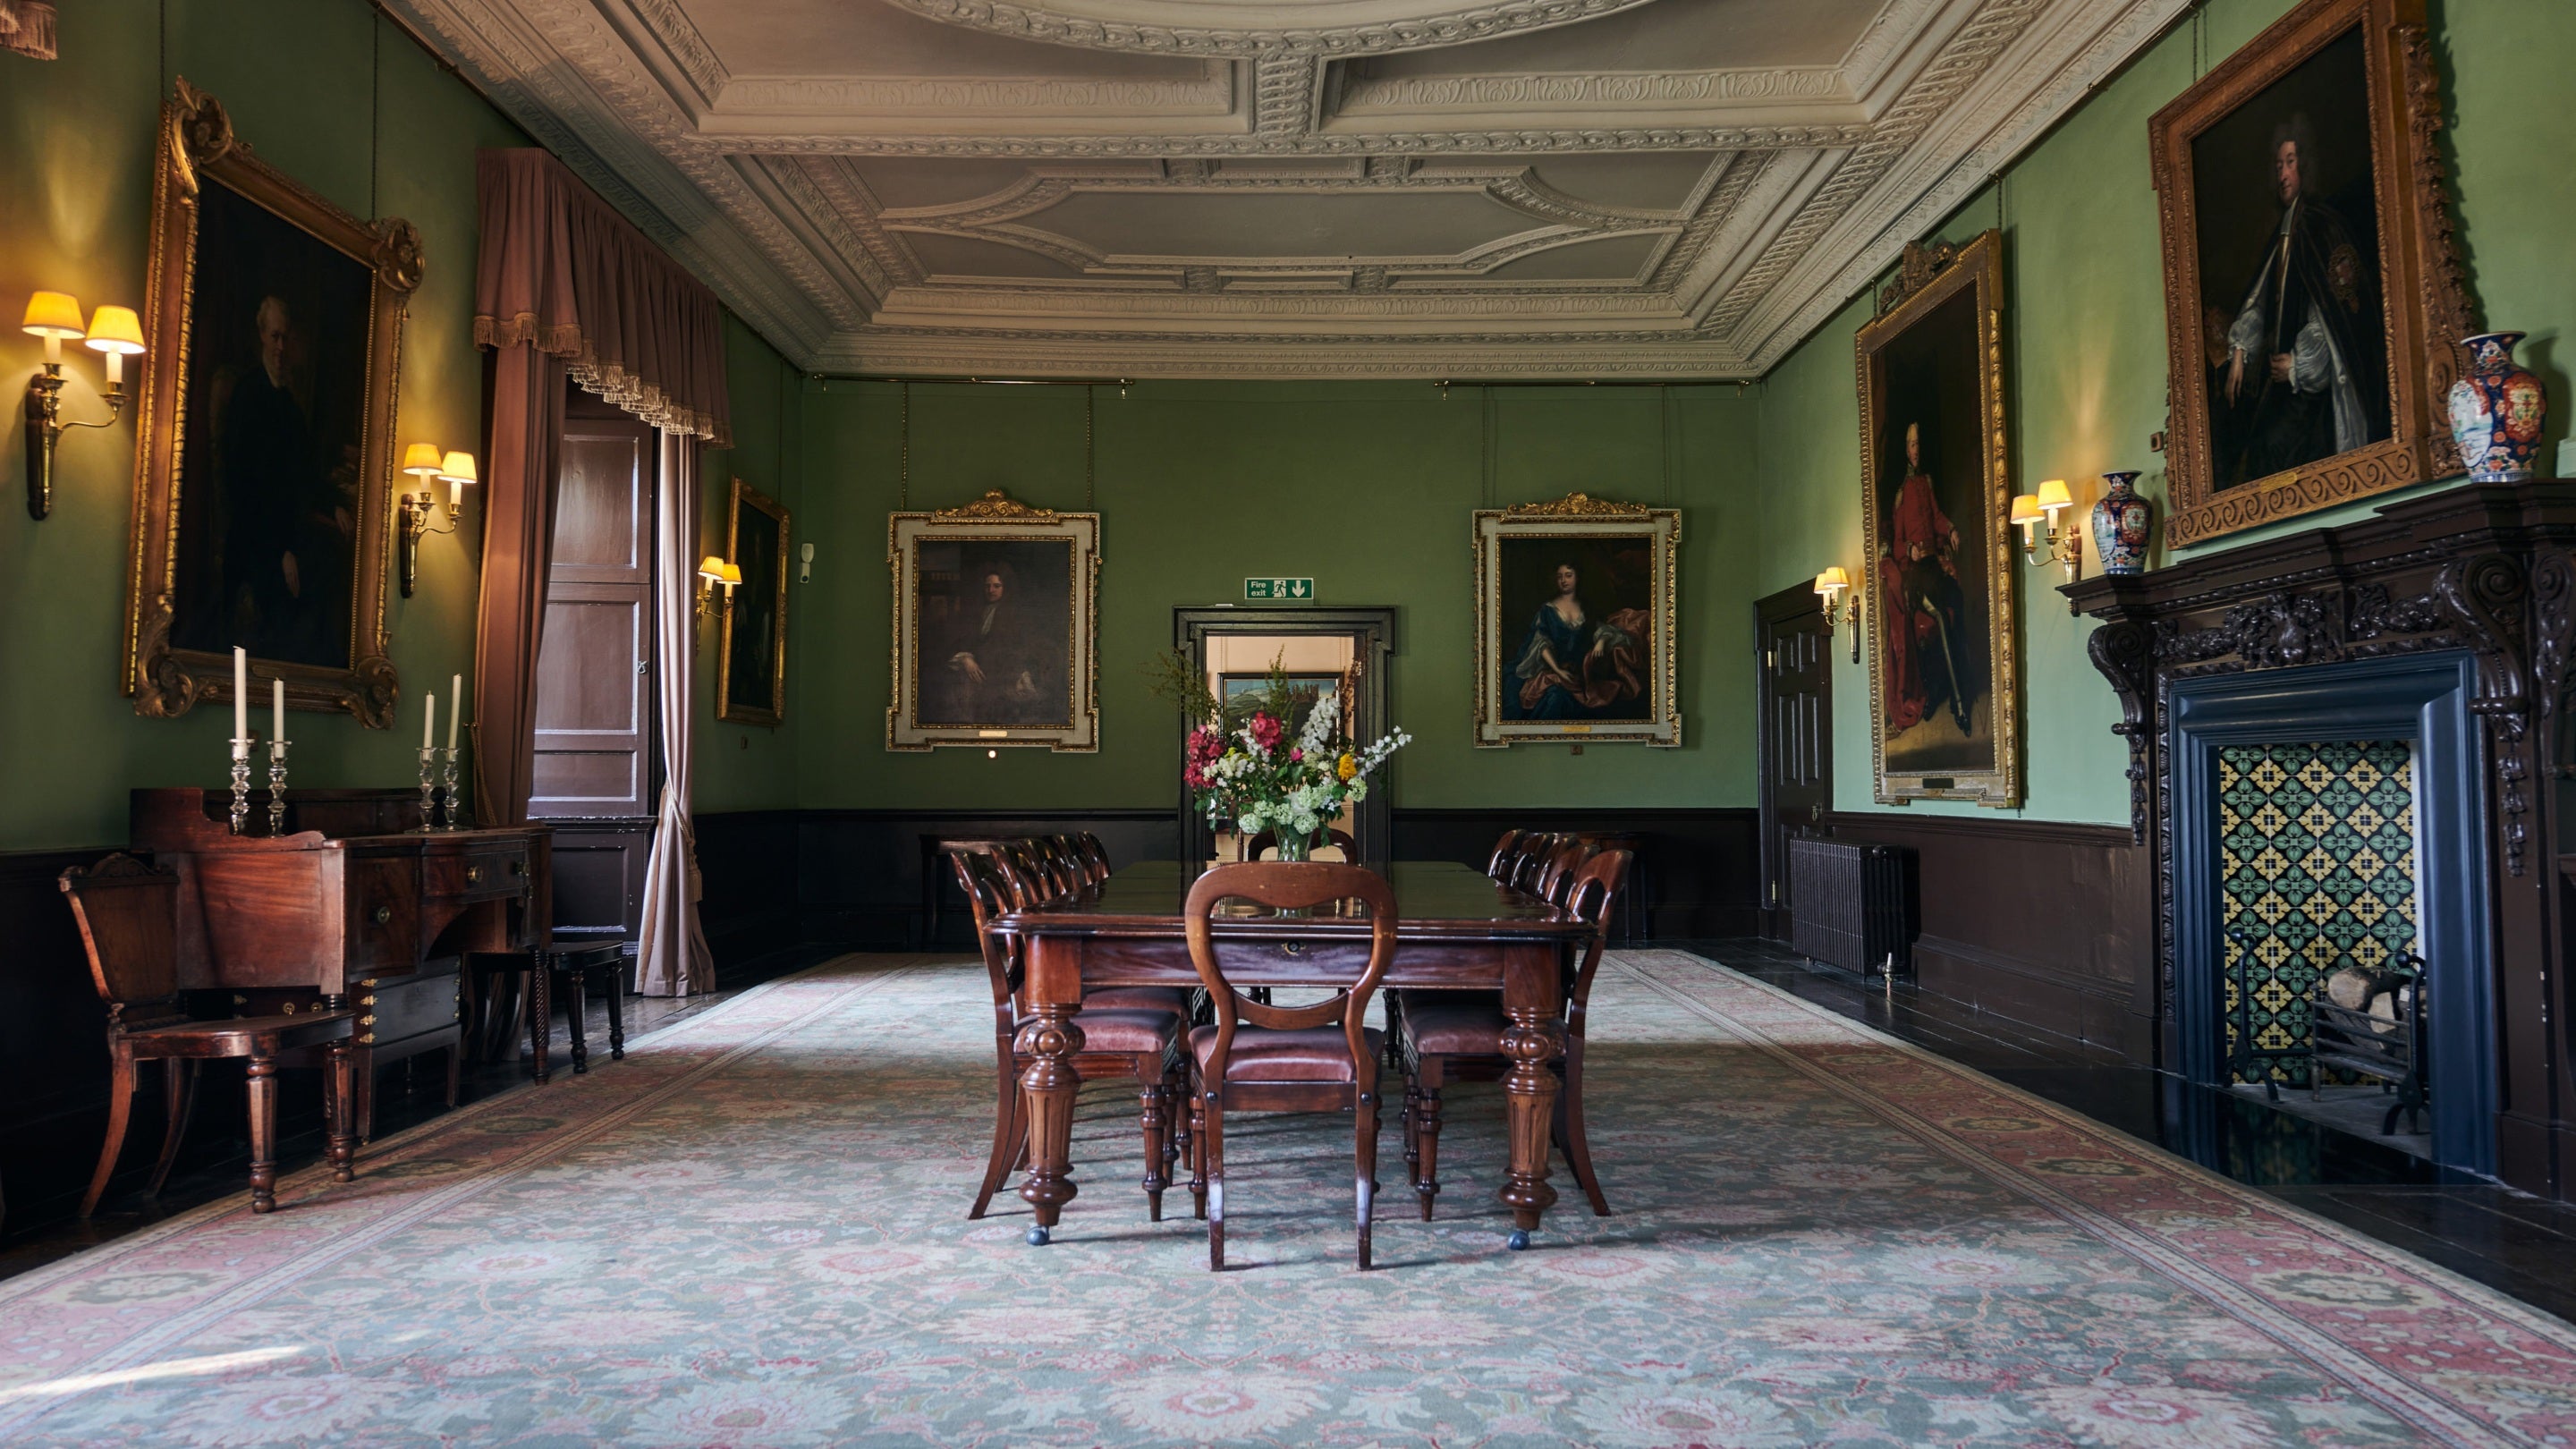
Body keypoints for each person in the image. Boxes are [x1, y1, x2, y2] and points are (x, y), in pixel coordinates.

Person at [2212, 113, 2385, 487]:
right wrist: (2241, 349)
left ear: (2305, 164)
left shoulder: (2322, 226)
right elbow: (2261, 298)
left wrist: (2298, 365)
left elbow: (2332, 315)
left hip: (2312, 391)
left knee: (2268, 452)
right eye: (2279, 165)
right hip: (2281, 385)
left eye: (2290, 162)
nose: (2283, 174)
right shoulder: (2285, 231)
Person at [209, 293, 354, 664]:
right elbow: (244, 487)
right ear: (261, 336)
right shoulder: (247, 394)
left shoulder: (288, 405)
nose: (280, 347)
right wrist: (279, 549)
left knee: (332, 561)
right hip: (254, 535)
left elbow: (304, 471)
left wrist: (332, 503)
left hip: (287, 532)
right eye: (274, 337)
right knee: (292, 587)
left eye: (285, 338)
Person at [1877, 420, 1975, 737]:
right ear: (1906, 450)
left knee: (1957, 604)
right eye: (1912, 445)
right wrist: (1910, 551)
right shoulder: (1901, 495)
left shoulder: (1925, 484)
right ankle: (1959, 703)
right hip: (1915, 577)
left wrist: (1952, 529)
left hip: (1934, 568)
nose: (1916, 450)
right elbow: (1896, 542)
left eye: (1919, 444)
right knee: (1940, 620)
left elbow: (1937, 517)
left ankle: (1946, 690)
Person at [1506, 561, 1648, 720]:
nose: (1563, 580)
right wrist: (1558, 671)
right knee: (1556, 698)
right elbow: (1541, 643)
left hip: (1582, 672)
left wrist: (1601, 641)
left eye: (1568, 575)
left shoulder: (1587, 607)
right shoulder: (1547, 610)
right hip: (1554, 668)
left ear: (1577, 578)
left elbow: (1603, 629)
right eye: (1560, 576)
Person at [937, 563, 1056, 725]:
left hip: (1006, 677)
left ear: (1006, 587)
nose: (991, 590)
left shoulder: (1018, 614)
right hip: (978, 675)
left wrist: (1020, 673)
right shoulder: (978, 611)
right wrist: (965, 658)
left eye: (996, 586)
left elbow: (1024, 649)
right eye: (987, 586)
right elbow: (964, 642)